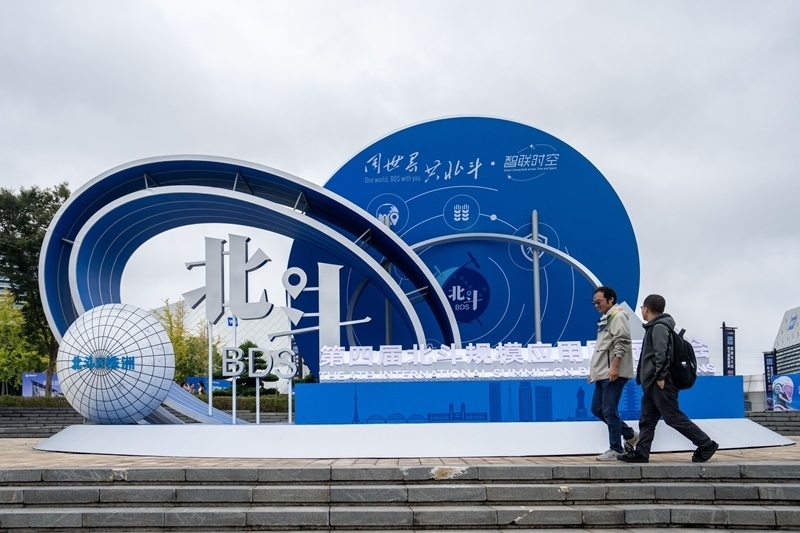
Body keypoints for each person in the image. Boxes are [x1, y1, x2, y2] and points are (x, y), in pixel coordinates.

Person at [617, 294, 719, 463]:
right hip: (651, 383)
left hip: (661, 382)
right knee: (647, 420)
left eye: (642, 307)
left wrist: (660, 376)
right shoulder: (656, 326)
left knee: (673, 417)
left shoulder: (659, 327)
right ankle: (641, 452)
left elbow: (662, 353)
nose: (642, 310)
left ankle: (706, 443)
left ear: (646, 309)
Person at [589, 286, 638, 460]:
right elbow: (603, 349)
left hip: (612, 373)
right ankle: (630, 435)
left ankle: (616, 448)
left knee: (609, 410)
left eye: (599, 301)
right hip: (603, 373)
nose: (596, 305)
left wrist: (615, 366)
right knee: (597, 409)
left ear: (610, 300)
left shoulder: (618, 316)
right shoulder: (607, 318)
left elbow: (622, 342)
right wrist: (594, 372)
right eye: (594, 302)